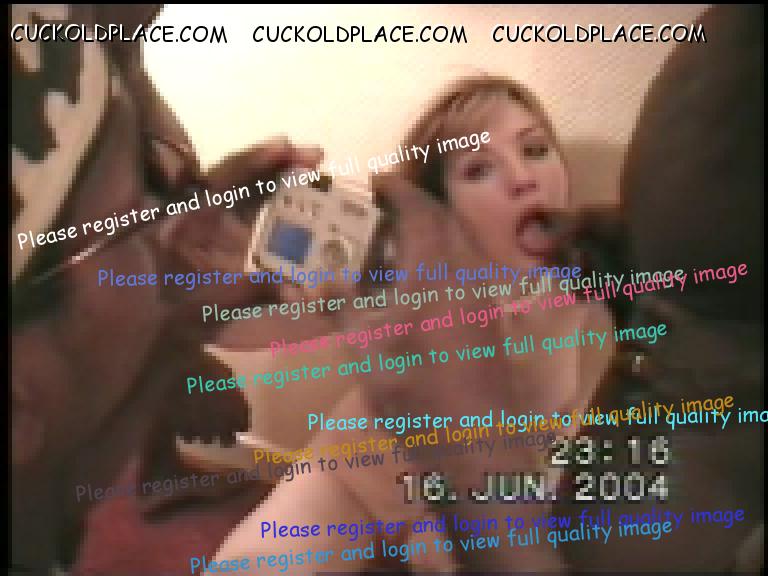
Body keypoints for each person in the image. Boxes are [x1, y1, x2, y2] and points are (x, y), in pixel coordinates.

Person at [208, 74, 614, 574]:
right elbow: (265, 331)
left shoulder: (590, 278)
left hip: (475, 495)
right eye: (479, 168)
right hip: (358, 470)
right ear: (438, 208)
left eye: (534, 150)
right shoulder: (400, 277)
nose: (522, 178)